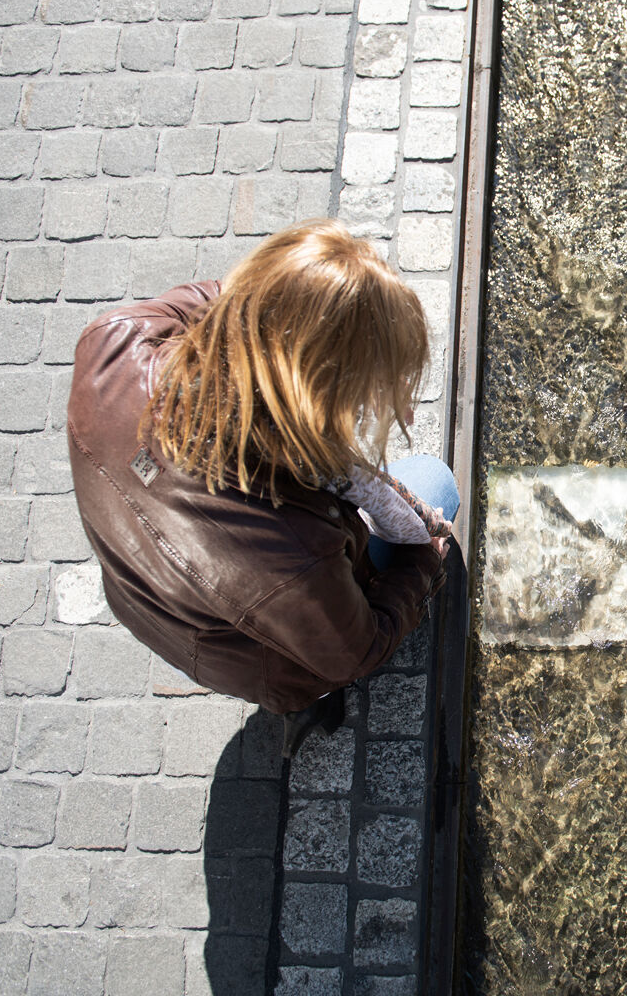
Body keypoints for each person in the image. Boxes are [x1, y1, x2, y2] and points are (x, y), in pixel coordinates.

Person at [67, 219, 458, 754]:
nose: (397, 408)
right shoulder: (291, 545)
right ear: (321, 391)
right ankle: (304, 696)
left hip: (145, 600)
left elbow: (234, 302)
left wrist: (309, 297)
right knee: (436, 482)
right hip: (244, 649)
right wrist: (423, 563)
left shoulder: (117, 339)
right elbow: (358, 650)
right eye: (375, 389)